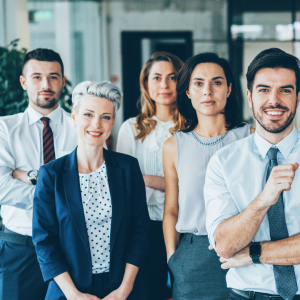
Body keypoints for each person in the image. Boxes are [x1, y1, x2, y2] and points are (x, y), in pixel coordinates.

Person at [32, 81, 151, 300]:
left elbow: (140, 231)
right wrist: (74, 294)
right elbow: (44, 242)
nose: (96, 124)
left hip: (124, 287)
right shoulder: (51, 174)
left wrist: (123, 291)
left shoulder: (128, 168)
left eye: (105, 117)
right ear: (74, 118)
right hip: (69, 289)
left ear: (113, 121)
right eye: (88, 114)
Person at [204, 48, 300, 300]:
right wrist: (264, 199)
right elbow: (224, 245)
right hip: (246, 295)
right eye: (264, 89)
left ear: (298, 97)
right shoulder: (223, 162)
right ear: (249, 96)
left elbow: (235, 249)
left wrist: (252, 253)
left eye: (285, 90)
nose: (274, 100)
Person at [163, 52, 252, 300]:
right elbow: (171, 209)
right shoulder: (174, 145)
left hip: (245, 251)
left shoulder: (251, 138)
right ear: (188, 92)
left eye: (217, 82)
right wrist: (173, 257)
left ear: (230, 88)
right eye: (198, 83)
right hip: (193, 256)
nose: (208, 91)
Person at [0, 48, 78, 300]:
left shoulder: (82, 127)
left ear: (63, 81)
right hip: (20, 249)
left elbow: (91, 185)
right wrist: (60, 192)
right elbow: (2, 187)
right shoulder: (4, 129)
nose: (46, 84)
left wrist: (25, 175)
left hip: (72, 248)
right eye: (36, 77)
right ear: (23, 82)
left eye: (54, 76)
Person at [116, 51, 185, 300]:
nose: (164, 85)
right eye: (156, 78)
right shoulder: (130, 128)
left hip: (185, 224)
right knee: (149, 292)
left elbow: (197, 185)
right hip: (141, 226)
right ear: (146, 84)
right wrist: (170, 184)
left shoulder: (192, 128)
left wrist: (144, 179)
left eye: (172, 77)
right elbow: (122, 183)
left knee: (184, 291)